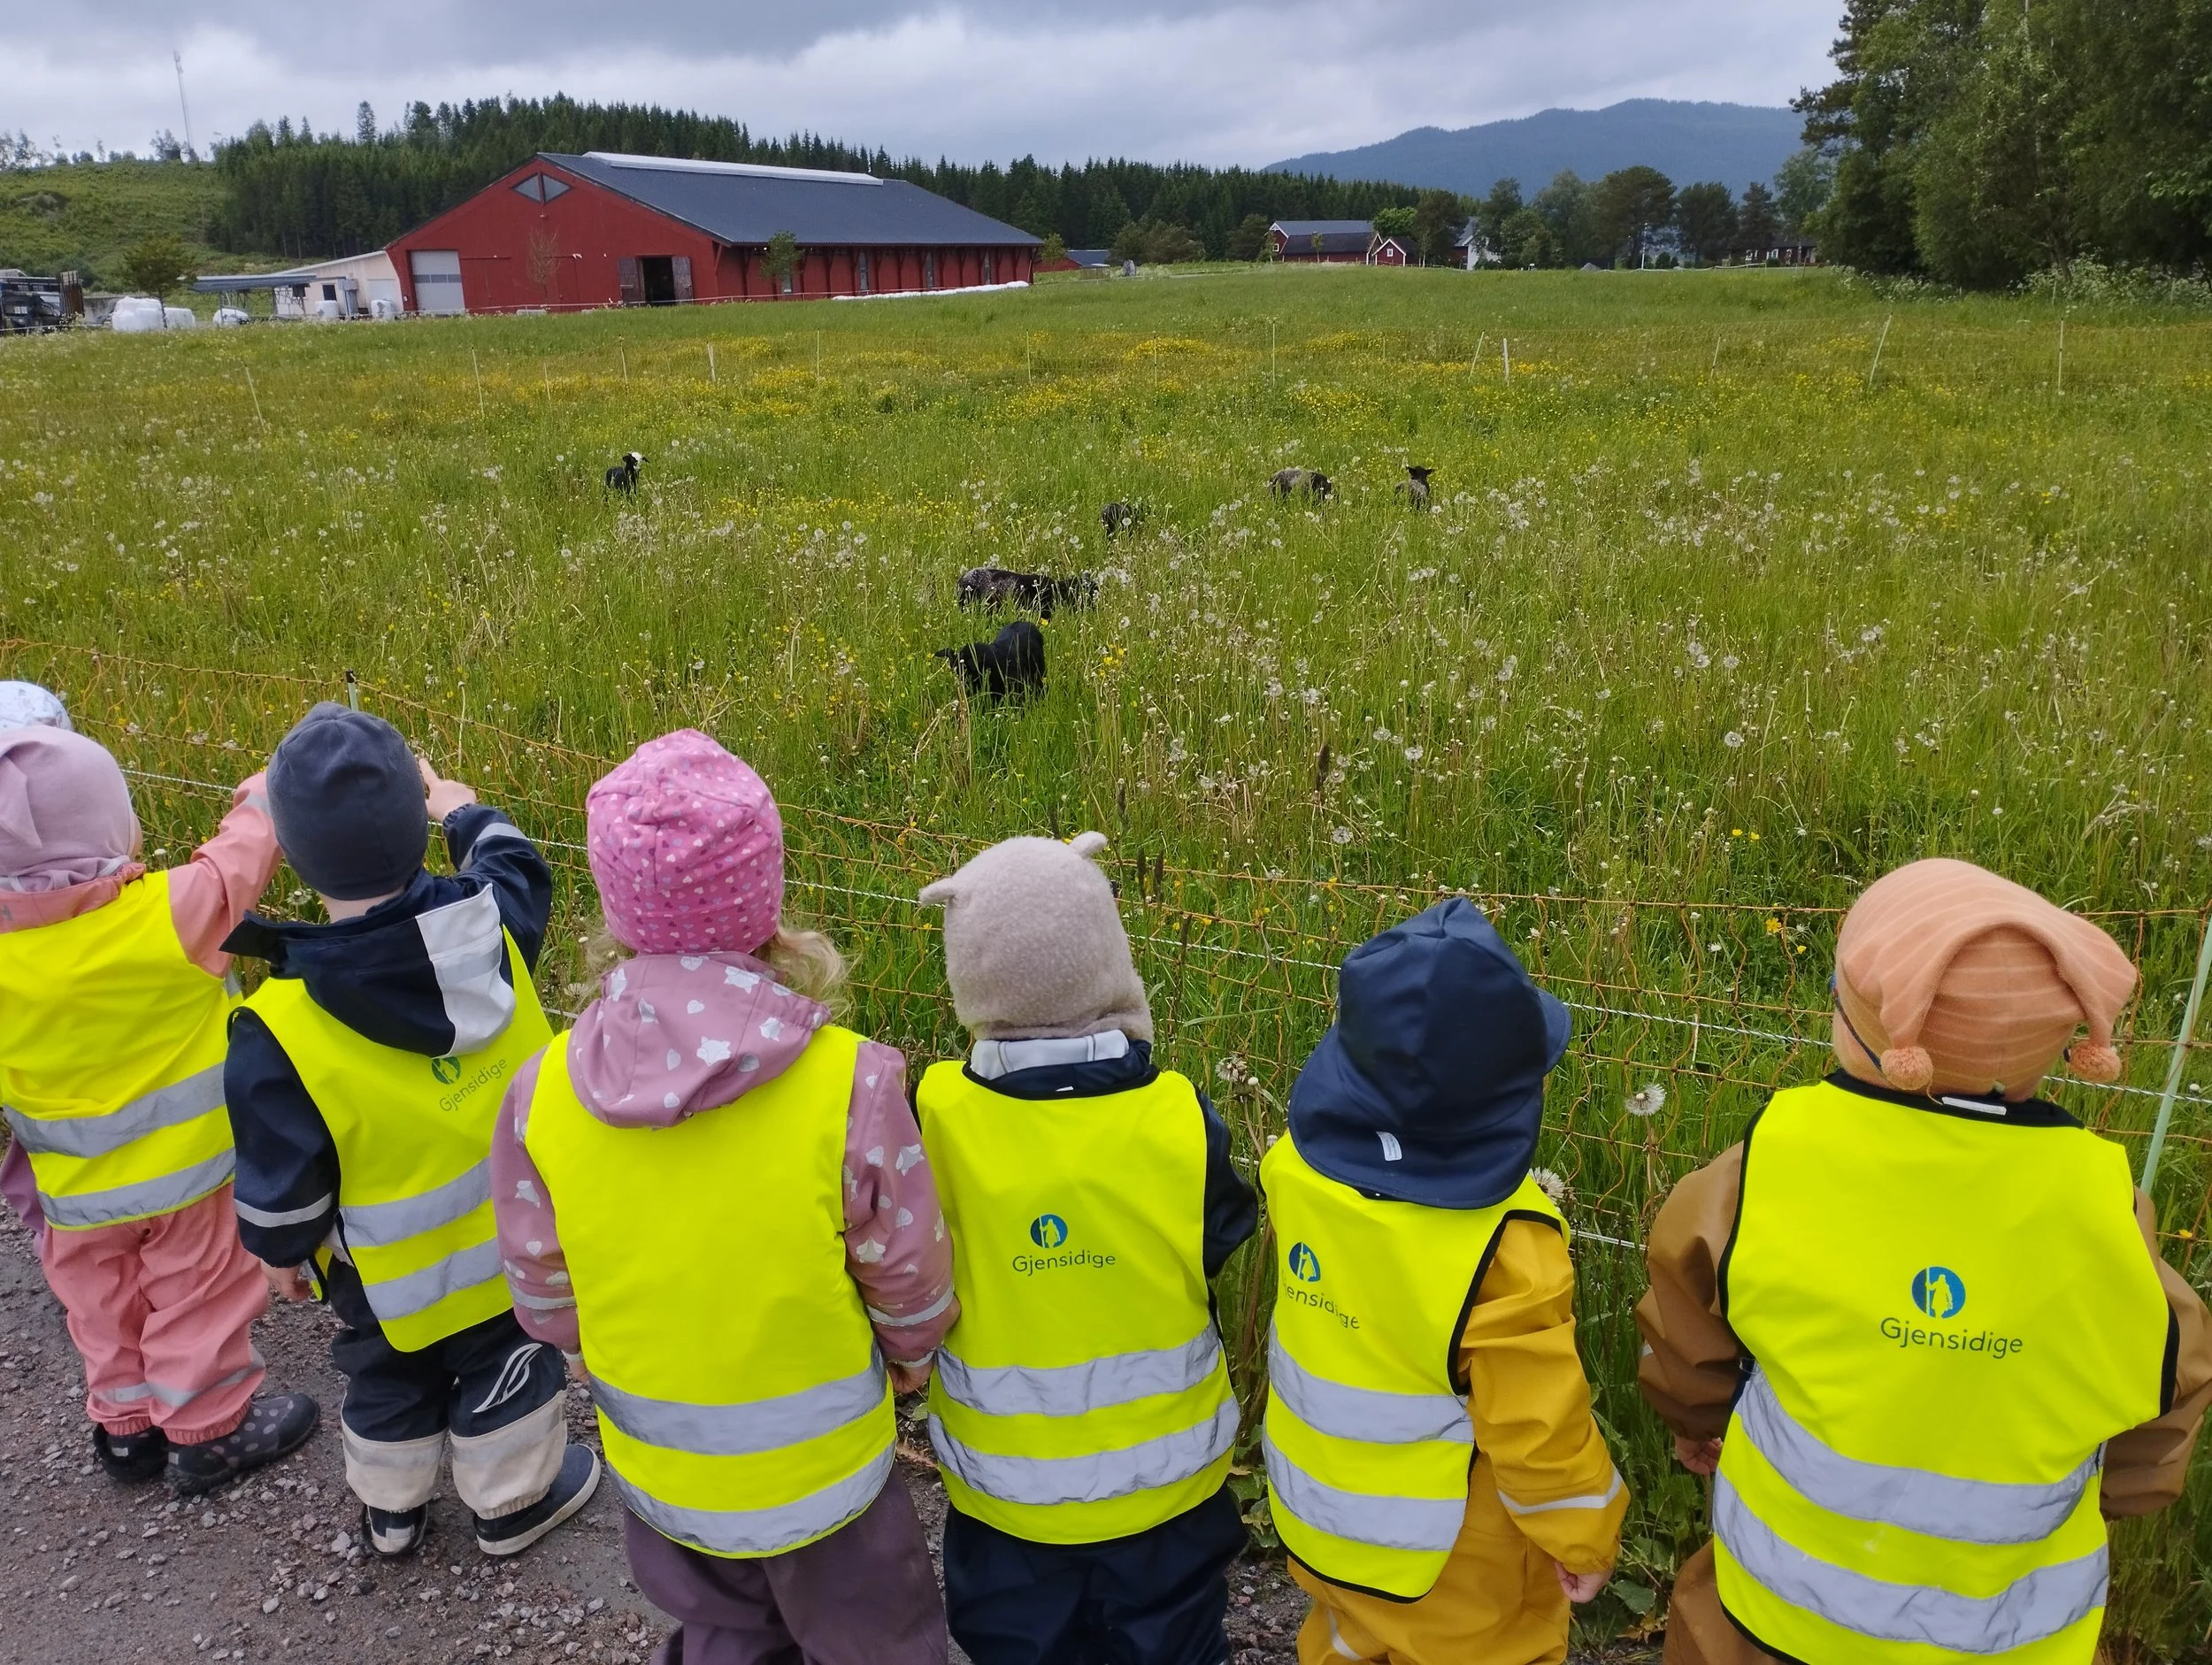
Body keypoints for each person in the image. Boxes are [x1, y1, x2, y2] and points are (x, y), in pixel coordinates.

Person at [1638, 857, 2212, 1665]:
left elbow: (1686, 1310)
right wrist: (2122, 1490)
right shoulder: (2106, 1202)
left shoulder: (1770, 1159)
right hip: (2014, 1632)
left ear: (1870, 1030)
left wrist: (1699, 1421)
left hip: (1777, 1605)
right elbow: (2170, 1371)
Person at [493, 731, 954, 1665]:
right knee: (879, 1640)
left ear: (618, 909)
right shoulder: (850, 1083)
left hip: (667, 1473)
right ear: (767, 901)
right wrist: (912, 1351)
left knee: (721, 1637)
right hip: (827, 1480)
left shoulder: (539, 1092)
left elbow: (540, 1279)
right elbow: (904, 1263)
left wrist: (575, 1343)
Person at [224, 702, 595, 1559]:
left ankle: (391, 1511)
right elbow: (517, 863)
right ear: (414, 830)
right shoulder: (492, 926)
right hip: (519, 1242)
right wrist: (456, 805)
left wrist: (283, 1255)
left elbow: (284, 1178)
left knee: (383, 1370)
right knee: (509, 1364)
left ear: (293, 850)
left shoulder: (276, 1022)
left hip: (381, 1274)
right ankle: (510, 1503)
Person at [916, 832, 1258, 1665]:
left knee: (1017, 1645)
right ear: (1109, 953)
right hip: (1171, 1489)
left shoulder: (935, 1116)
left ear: (971, 974)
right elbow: (1220, 1234)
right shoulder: (1179, 1116)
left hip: (1005, 1498)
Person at [1262, 898, 1626, 1665]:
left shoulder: (1292, 1168)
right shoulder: (1508, 1247)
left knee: (1341, 1643)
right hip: (1455, 1555)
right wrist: (1584, 1535)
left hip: (1321, 1512)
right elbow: (1536, 1429)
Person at [0, 718, 319, 1492]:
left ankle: (126, 1428)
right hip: (189, 1178)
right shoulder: (167, 917)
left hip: (72, 1191)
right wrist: (264, 794)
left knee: (101, 1306)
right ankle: (209, 1428)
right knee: (199, 1294)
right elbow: (239, 861)